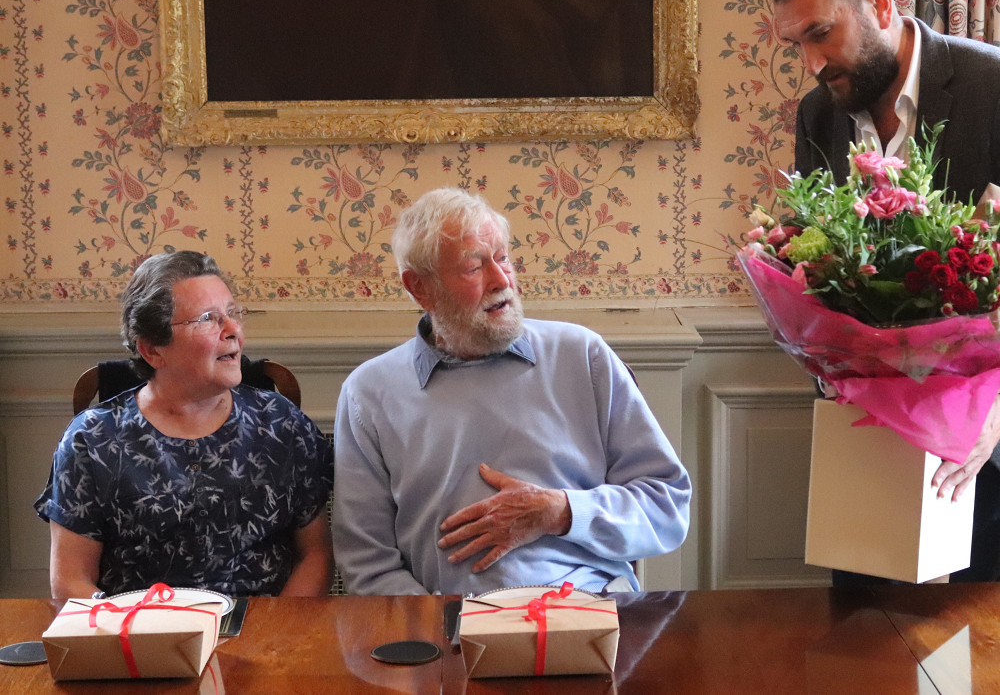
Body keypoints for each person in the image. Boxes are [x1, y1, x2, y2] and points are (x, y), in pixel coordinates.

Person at [773, 0, 1000, 583]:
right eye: (798, 45)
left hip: (985, 461)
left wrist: (994, 416)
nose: (813, 60)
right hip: (868, 454)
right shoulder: (819, 116)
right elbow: (815, 276)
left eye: (821, 33)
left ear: (879, 2)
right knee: (860, 657)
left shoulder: (993, 86)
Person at [332, 188, 691, 595]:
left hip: (590, 611)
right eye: (474, 266)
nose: (502, 280)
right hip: (448, 627)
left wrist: (563, 511)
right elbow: (367, 565)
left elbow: (668, 508)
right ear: (420, 289)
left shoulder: (581, 355)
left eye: (502, 258)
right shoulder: (369, 393)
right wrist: (442, 627)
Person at [35, 251, 335, 599]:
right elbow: (71, 581)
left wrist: (277, 639)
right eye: (208, 319)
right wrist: (142, 639)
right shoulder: (93, 440)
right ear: (152, 350)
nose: (233, 330)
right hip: (139, 640)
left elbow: (316, 556)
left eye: (233, 313)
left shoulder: (281, 424)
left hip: (267, 636)